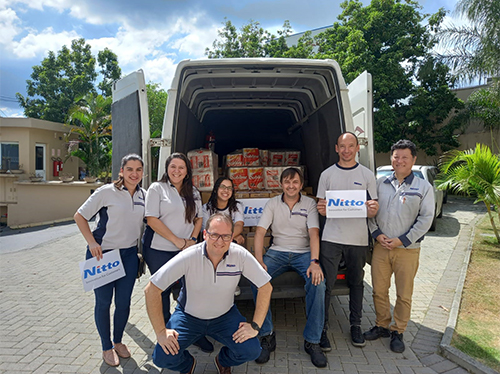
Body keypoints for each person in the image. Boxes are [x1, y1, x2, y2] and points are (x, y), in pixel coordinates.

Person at [144, 213, 273, 374]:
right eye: (214, 235)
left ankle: (223, 360)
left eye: (226, 236)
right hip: (188, 317)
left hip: (225, 317)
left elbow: (265, 287)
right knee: (162, 358)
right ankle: (187, 365)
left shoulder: (240, 255)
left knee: (251, 350)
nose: (220, 241)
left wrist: (255, 326)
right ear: (205, 234)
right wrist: (161, 332)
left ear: (232, 236)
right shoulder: (189, 255)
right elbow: (152, 288)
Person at [74, 154, 145, 366]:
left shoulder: (144, 195)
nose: (134, 174)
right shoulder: (106, 191)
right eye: (129, 169)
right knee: (104, 302)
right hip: (103, 255)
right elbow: (80, 216)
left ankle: (118, 341)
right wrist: (91, 243)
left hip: (129, 256)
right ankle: (106, 346)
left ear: (143, 172)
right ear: (121, 171)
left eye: (139, 169)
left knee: (123, 303)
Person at [364, 139, 434, 353]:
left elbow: (426, 219)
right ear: (391, 159)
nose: (400, 161)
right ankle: (382, 325)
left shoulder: (423, 187)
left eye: (405, 157)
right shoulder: (379, 184)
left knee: (404, 294)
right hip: (381, 247)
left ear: (413, 159)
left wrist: (402, 240)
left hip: (407, 250)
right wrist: (377, 234)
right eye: (396, 157)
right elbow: (370, 211)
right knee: (378, 290)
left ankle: (398, 330)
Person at [252, 167, 327, 367]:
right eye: (287, 182)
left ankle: (313, 341)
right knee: (256, 280)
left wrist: (314, 262)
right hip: (277, 252)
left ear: (301, 185)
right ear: (281, 184)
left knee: (318, 284)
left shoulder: (310, 203)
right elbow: (260, 232)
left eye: (295, 182)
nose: (291, 186)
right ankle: (266, 335)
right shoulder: (273, 203)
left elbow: (313, 234)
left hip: (303, 253)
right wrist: (259, 261)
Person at [142, 152, 212, 352]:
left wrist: (191, 240)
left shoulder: (194, 192)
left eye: (181, 167)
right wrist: (177, 241)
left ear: (187, 171)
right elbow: (151, 219)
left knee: (190, 290)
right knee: (161, 292)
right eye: (173, 166)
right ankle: (164, 334)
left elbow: (199, 218)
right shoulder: (157, 188)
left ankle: (194, 333)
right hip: (158, 250)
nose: (177, 171)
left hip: (186, 249)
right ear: (167, 168)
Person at [316, 132, 379, 349]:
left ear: (357, 148)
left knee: (356, 283)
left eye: (350, 146)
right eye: (342, 146)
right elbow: (321, 208)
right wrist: (322, 209)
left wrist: (373, 210)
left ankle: (356, 325)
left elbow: (372, 209)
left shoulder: (367, 175)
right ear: (336, 148)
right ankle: (321, 329)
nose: (346, 150)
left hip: (358, 239)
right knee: (325, 285)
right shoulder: (327, 175)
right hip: (331, 238)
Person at [202, 177, 245, 245]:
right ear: (216, 189)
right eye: (222, 187)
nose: (226, 190)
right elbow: (208, 231)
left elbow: (239, 226)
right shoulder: (206, 208)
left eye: (229, 188)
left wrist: (226, 238)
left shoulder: (237, 206)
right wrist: (231, 238)